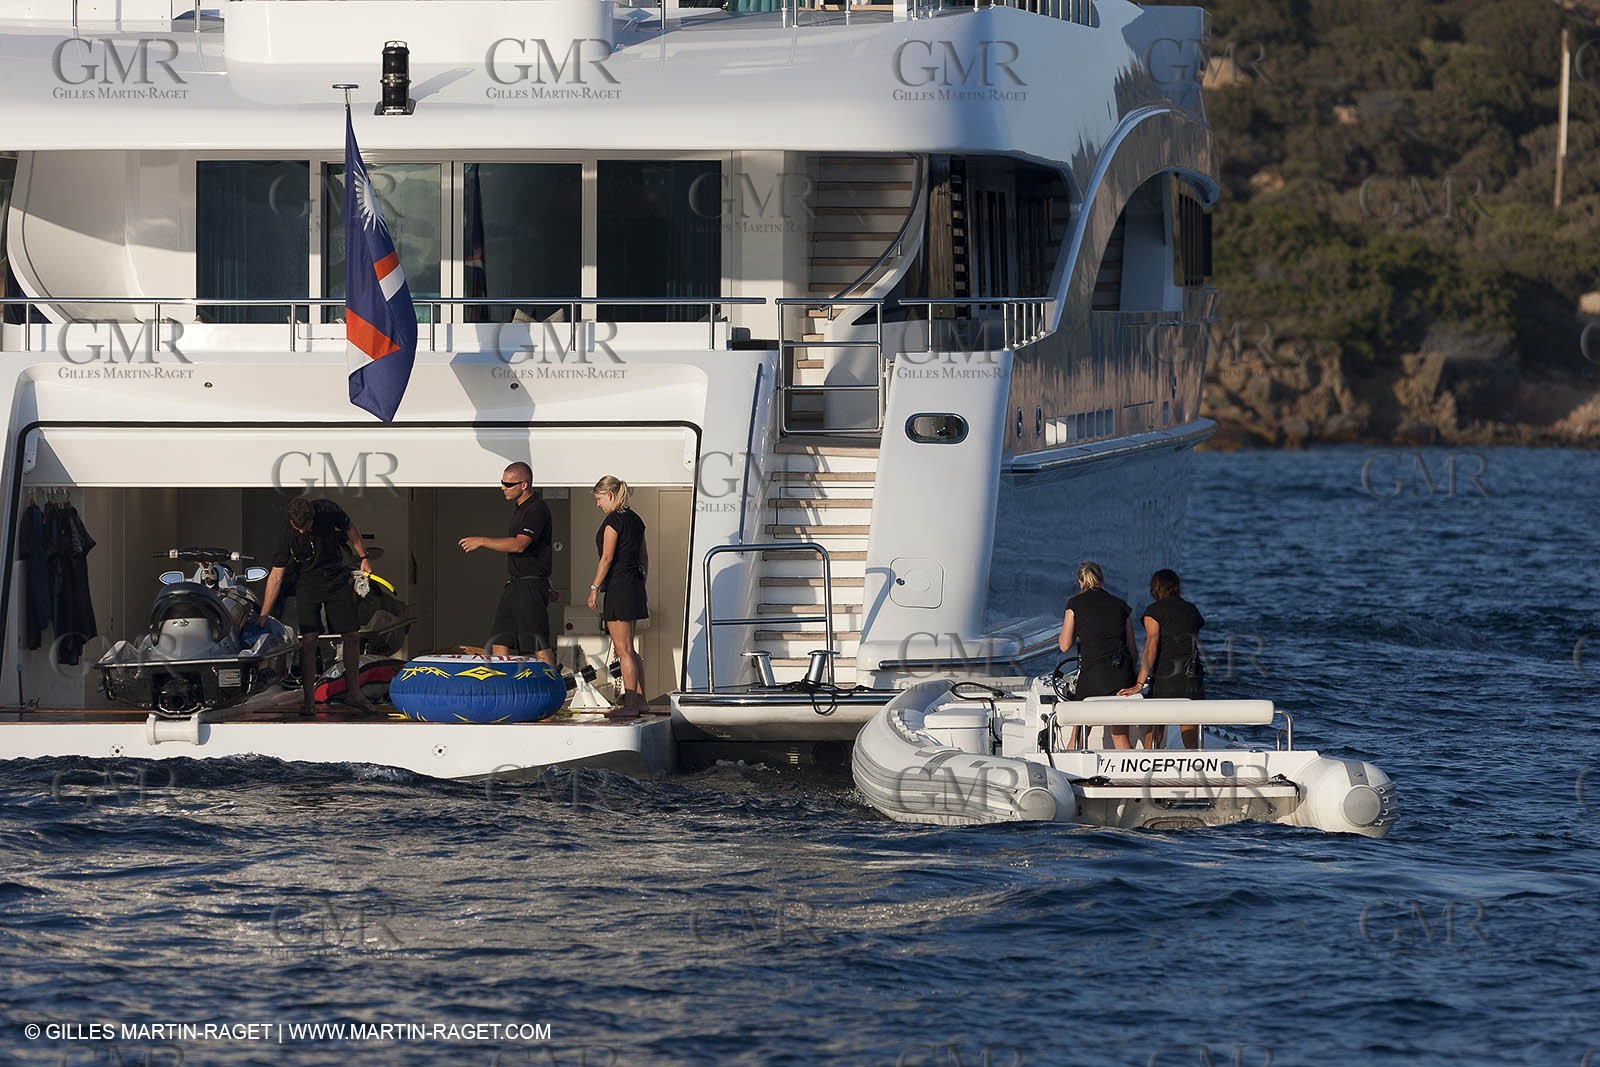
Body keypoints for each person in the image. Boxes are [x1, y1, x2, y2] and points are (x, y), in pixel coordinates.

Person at [259, 496, 377, 715]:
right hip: (307, 581)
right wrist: (264, 614)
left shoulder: (326, 509)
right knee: (309, 639)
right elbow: (276, 575)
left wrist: (364, 556)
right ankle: (308, 700)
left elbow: (350, 527)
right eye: (298, 528)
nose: (303, 531)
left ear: (313, 517)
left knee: (351, 634)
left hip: (335, 576)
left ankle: (354, 693)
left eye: (306, 527)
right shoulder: (287, 534)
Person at [458, 462, 556, 665]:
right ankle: (502, 686)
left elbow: (520, 544)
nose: (503, 487)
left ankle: (553, 687)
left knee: (538, 644)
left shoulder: (537, 509)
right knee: (500, 641)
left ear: (524, 485)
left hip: (530, 587)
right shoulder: (519, 510)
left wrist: (482, 541)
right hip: (515, 584)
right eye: (502, 482)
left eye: (508, 484)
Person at [1119, 568, 1206, 749]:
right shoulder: (1192, 610)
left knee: (1156, 727)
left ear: (1155, 588)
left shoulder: (1154, 611)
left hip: (1166, 676)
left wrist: (1139, 684)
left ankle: (1150, 767)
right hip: (1192, 675)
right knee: (1189, 727)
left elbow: (1151, 647)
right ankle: (1199, 768)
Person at [1058, 560, 1137, 749]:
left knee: (1078, 734)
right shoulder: (1120, 605)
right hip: (1122, 675)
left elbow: (1064, 644)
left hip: (1093, 675)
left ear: (1080, 582)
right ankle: (1131, 776)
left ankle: (1070, 775)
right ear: (1102, 580)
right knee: (1119, 736)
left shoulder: (1075, 604)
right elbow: (1133, 649)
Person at [588, 475, 649, 718]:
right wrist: (640, 583)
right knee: (630, 649)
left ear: (610, 496)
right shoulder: (636, 520)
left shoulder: (613, 521)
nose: (597, 504)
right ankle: (641, 700)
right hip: (633, 585)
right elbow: (644, 559)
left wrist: (594, 587)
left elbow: (607, 557)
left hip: (618, 587)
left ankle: (631, 703)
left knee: (623, 649)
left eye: (599, 498)